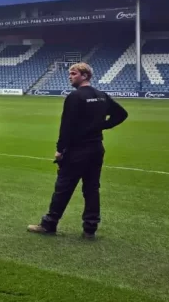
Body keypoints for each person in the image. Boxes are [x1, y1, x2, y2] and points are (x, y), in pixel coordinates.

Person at [28, 63, 127, 238]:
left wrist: (60, 150)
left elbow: (66, 126)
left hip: (77, 150)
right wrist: (103, 126)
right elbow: (121, 114)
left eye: (73, 73)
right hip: (96, 148)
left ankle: (49, 224)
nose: (70, 76)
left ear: (85, 75)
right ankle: (90, 228)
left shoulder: (75, 97)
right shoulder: (102, 96)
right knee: (92, 188)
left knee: (63, 187)